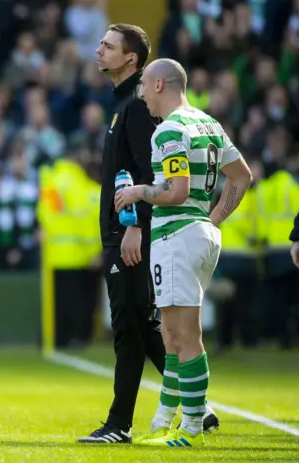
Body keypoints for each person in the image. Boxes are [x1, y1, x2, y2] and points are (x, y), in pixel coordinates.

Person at [77, 24, 218, 444]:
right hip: (124, 230)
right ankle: (201, 408)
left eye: (108, 46)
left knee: (128, 327)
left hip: (130, 232)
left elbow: (145, 168)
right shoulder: (123, 102)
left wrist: (135, 224)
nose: (99, 50)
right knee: (143, 323)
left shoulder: (138, 106)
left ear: (131, 60)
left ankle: (119, 425)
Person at [114, 58, 253, 447]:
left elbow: (174, 191)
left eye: (143, 83)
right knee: (173, 334)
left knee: (183, 334)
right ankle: (164, 418)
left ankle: (191, 428)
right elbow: (242, 176)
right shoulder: (208, 123)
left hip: (178, 236)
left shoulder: (169, 130)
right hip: (199, 234)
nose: (139, 91)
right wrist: (213, 218)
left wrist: (138, 191)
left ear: (160, 85)